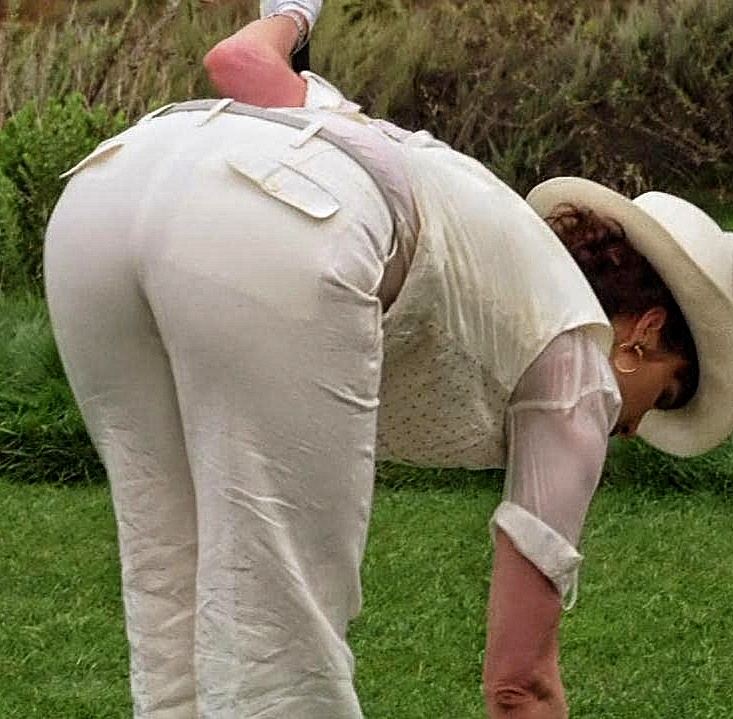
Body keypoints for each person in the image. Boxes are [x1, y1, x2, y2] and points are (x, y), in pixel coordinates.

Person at [44, 13, 733, 719]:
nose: (633, 428)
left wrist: (294, 15)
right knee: (283, 648)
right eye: (666, 393)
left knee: (170, 613)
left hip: (104, 195)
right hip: (279, 230)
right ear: (645, 332)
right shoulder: (579, 362)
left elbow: (236, 64)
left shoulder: (456, 199)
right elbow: (518, 682)